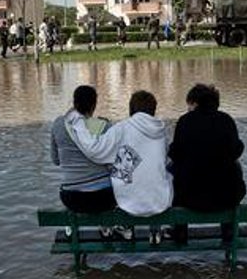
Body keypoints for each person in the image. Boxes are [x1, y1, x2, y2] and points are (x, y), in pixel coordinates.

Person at [68, 90, 173, 243]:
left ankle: (125, 226)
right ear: (153, 110)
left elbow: (95, 150)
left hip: (129, 203)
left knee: (119, 168)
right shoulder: (161, 131)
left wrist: (80, 126)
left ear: (131, 109)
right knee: (160, 172)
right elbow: (164, 159)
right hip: (159, 201)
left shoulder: (122, 128)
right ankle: (155, 227)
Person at [169, 84, 246, 244]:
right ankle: (228, 230)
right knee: (235, 166)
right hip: (225, 197)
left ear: (195, 103)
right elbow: (237, 150)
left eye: (189, 104)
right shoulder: (226, 120)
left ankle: (180, 231)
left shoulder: (184, 121)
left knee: (172, 168)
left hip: (188, 198)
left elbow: (175, 153)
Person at [50, 85, 117, 217]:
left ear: (74, 103)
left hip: (71, 198)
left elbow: (55, 160)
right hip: (104, 197)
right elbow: (113, 162)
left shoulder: (58, 124)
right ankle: (108, 228)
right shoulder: (104, 126)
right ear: (94, 105)